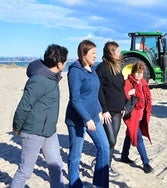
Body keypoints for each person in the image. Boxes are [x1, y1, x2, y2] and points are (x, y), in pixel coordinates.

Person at [11, 44, 68, 188]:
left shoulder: (52, 77)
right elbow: (24, 106)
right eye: (65, 61)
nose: (66, 63)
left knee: (56, 166)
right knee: (25, 171)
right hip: (33, 132)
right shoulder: (39, 79)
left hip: (49, 131)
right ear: (59, 63)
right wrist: (17, 127)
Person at [65, 39, 109, 188]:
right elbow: (75, 99)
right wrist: (87, 119)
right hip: (77, 119)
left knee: (104, 147)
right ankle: (74, 184)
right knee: (76, 156)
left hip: (94, 116)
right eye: (93, 53)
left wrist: (100, 111)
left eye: (96, 53)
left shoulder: (93, 69)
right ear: (83, 55)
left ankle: (101, 184)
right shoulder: (75, 72)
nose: (96, 56)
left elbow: (94, 94)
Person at [96, 41, 126, 177]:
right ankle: (101, 164)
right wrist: (103, 109)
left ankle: (107, 166)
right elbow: (99, 91)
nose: (120, 53)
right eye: (117, 51)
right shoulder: (101, 69)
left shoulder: (118, 68)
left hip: (118, 110)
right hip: (107, 111)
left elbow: (120, 89)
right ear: (111, 52)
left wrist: (124, 105)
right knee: (110, 139)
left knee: (112, 141)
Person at [120, 61, 153, 174]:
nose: (139, 75)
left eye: (141, 72)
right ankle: (146, 163)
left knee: (130, 134)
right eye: (137, 72)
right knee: (137, 136)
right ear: (133, 72)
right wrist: (130, 92)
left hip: (141, 115)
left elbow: (146, 98)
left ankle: (124, 156)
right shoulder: (128, 82)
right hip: (132, 115)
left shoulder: (143, 83)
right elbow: (124, 95)